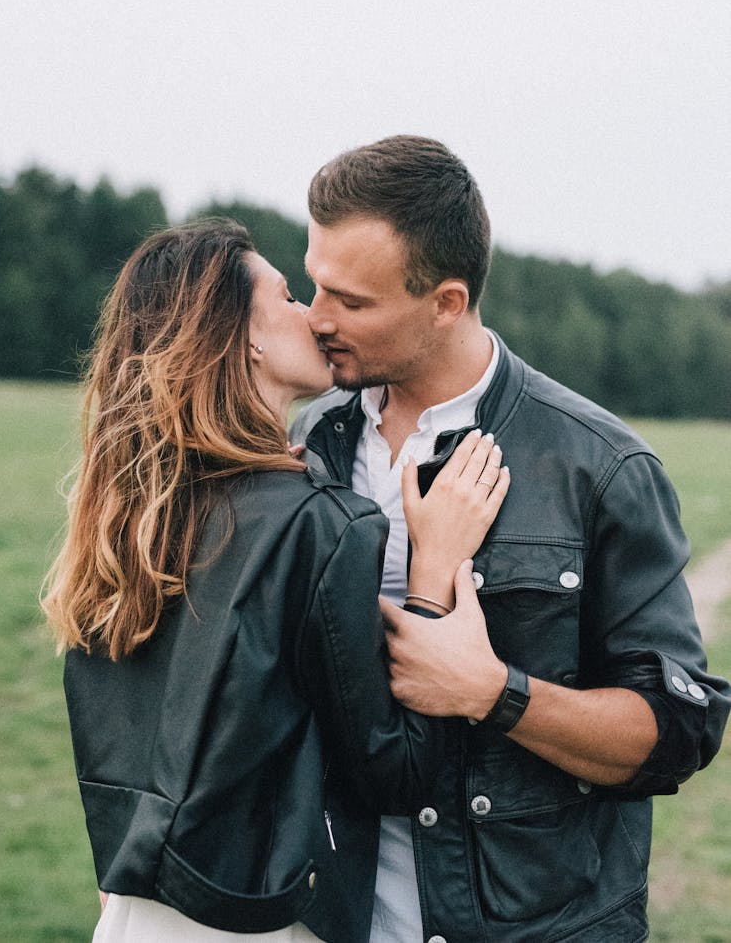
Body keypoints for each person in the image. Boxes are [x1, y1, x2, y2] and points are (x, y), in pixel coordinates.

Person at [291, 134, 731, 943]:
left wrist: (495, 693)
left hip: (536, 927)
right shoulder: (310, 445)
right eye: (315, 284)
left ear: (447, 302)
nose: (316, 319)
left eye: (351, 302)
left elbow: (676, 732)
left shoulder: (600, 466)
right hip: (338, 920)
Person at [42, 218, 511, 943]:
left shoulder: (135, 510)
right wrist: (434, 567)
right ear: (246, 337)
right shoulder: (319, 524)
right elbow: (397, 771)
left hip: (135, 909)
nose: (315, 316)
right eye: (290, 297)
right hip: (252, 920)